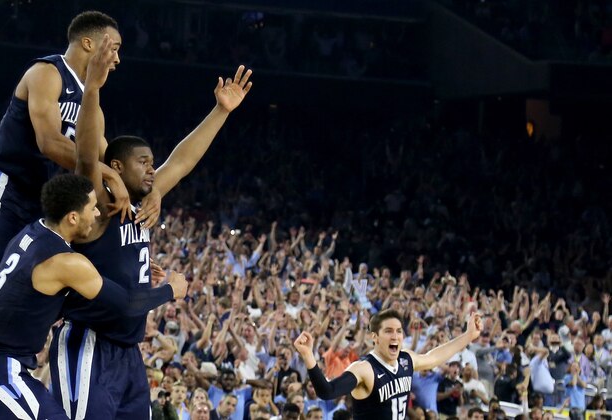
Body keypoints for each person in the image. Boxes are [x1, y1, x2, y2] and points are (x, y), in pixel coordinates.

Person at [48, 34, 253, 419]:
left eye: (151, 161)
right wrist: (92, 87)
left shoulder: (143, 203)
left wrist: (220, 111)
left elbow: (182, 161)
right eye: (143, 162)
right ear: (119, 167)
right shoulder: (100, 204)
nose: (152, 169)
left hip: (128, 351)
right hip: (90, 342)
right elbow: (89, 153)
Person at [0, 174, 187, 419]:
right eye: (93, 208)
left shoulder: (33, 232)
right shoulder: (66, 263)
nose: (98, 214)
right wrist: (170, 289)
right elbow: (126, 305)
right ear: (72, 217)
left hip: (7, 364)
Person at [0, 11, 152, 298]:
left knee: (20, 282)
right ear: (88, 43)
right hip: (7, 183)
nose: (118, 59)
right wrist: (108, 173)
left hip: (42, 198)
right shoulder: (47, 72)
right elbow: (49, 142)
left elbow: (111, 159)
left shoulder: (90, 102)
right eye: (115, 48)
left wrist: (152, 193)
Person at [293, 309, 483, 420]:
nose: (395, 336)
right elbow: (327, 391)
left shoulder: (406, 359)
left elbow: (433, 357)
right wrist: (309, 356)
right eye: (389, 331)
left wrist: (468, 336)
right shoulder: (364, 368)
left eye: (399, 331)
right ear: (374, 337)